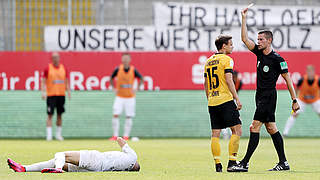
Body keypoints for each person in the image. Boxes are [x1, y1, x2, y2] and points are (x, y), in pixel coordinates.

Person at [230, 7, 300, 172]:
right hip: (260, 96)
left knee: (254, 127)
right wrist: (244, 18)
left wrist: (294, 99)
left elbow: (288, 79)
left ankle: (244, 163)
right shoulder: (259, 54)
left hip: (269, 96)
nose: (258, 41)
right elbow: (244, 38)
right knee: (271, 128)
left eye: (261, 39)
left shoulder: (278, 59)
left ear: (269, 41)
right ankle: (283, 162)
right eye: (258, 39)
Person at [204, 35, 242, 172]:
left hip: (212, 101)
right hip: (225, 99)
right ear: (224, 46)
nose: (232, 46)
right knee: (237, 129)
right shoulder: (227, 59)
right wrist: (236, 98)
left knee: (215, 133)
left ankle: (217, 163)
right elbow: (229, 79)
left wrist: (209, 98)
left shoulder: (208, 61)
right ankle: (232, 162)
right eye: (230, 44)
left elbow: (206, 84)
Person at [7, 137, 140, 173]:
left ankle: (57, 169)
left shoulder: (133, 157)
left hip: (96, 158)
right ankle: (23, 168)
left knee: (60, 154)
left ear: (135, 164)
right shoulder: (125, 168)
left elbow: (120, 140)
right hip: (95, 169)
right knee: (57, 160)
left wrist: (120, 139)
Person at [109, 53, 144, 141]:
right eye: (124, 58)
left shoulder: (133, 70)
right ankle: (115, 136)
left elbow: (141, 78)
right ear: (122, 59)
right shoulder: (118, 69)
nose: (125, 60)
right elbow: (111, 78)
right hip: (119, 97)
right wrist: (113, 88)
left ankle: (126, 136)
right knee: (115, 114)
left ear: (130, 60)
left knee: (129, 116)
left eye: (127, 58)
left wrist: (138, 88)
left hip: (130, 97)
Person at [41, 52, 70, 141]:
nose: (55, 59)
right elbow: (43, 81)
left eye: (57, 57)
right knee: (50, 115)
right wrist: (43, 92)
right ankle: (49, 136)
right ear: (51, 59)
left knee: (59, 115)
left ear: (59, 58)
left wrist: (68, 91)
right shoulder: (48, 68)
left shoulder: (63, 68)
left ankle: (58, 135)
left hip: (61, 95)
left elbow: (66, 81)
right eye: (54, 57)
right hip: (51, 95)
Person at [283, 65, 320, 136]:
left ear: (314, 72)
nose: (310, 73)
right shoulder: (302, 80)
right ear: (306, 72)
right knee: (294, 114)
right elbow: (296, 88)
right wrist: (296, 99)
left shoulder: (318, 80)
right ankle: (285, 133)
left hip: (315, 100)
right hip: (302, 99)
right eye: (309, 71)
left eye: (311, 72)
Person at [221, 70, 243, 140]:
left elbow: (236, 92)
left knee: (235, 118)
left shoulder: (239, 82)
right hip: (226, 100)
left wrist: (236, 99)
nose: (235, 78)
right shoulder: (228, 81)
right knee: (225, 118)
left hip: (233, 100)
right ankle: (225, 134)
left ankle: (233, 133)